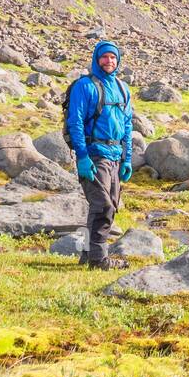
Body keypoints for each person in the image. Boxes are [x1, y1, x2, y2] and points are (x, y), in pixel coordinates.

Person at [66, 40, 134, 269]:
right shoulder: (84, 86)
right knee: (103, 206)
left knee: (109, 206)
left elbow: (127, 126)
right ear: (96, 59)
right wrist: (82, 156)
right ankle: (99, 260)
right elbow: (74, 122)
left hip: (116, 156)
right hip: (94, 155)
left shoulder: (123, 89)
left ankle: (87, 253)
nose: (109, 61)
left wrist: (128, 158)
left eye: (113, 57)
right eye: (104, 57)